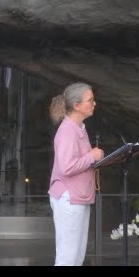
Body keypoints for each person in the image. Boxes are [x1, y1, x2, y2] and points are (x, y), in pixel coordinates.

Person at [48, 82, 104, 266]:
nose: (94, 103)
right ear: (77, 105)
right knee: (67, 257)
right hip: (68, 198)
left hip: (79, 197)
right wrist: (91, 156)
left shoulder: (79, 128)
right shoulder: (67, 131)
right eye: (91, 100)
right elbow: (67, 167)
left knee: (77, 255)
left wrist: (95, 158)